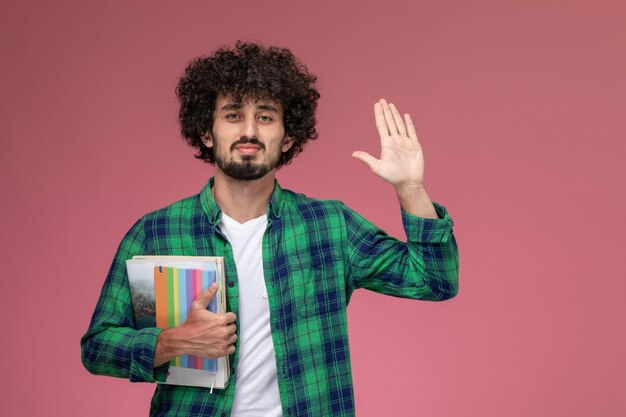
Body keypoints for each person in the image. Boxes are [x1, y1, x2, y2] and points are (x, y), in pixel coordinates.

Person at [81, 41, 459, 417]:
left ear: (288, 137)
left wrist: (411, 189)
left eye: (265, 117)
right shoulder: (156, 232)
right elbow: (97, 348)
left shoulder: (329, 226)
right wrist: (173, 342)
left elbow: (435, 281)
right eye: (232, 115)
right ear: (207, 133)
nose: (249, 131)